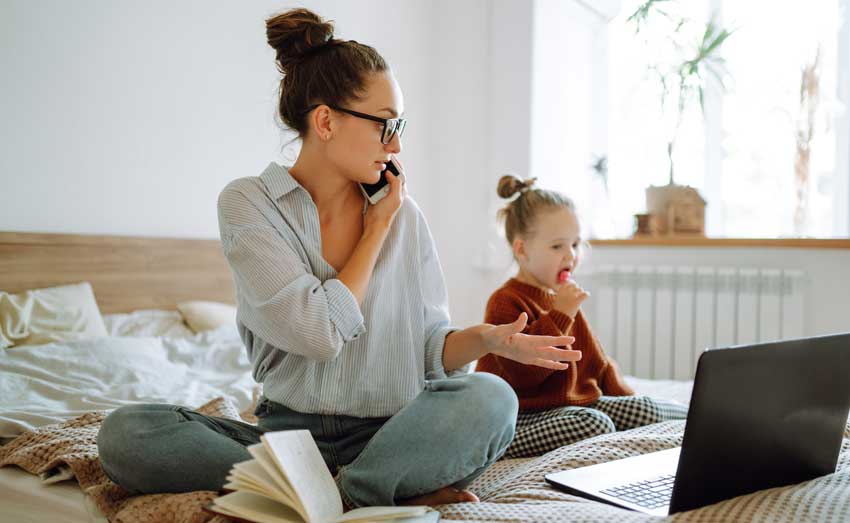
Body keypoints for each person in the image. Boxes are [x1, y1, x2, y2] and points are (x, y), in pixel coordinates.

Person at [97, 8, 582, 509]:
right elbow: (319, 332)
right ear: (325, 121)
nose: (396, 144)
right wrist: (374, 232)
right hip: (287, 442)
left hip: (392, 432)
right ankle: (366, 491)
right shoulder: (249, 204)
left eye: (400, 125)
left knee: (491, 398)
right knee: (126, 434)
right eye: (384, 125)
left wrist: (485, 340)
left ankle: (334, 496)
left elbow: (424, 349)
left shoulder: (405, 217)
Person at [475, 175, 689, 458]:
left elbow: (595, 363)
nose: (571, 256)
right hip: (520, 415)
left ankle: (699, 414)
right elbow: (524, 376)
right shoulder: (506, 301)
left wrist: (626, 400)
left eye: (575, 245)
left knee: (642, 408)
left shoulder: (560, 296)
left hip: (565, 406)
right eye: (557, 246)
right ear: (522, 249)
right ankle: (499, 447)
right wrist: (560, 314)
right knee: (594, 424)